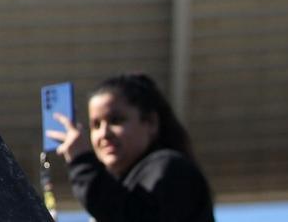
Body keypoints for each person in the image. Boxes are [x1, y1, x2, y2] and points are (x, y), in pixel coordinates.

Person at [46, 73, 215, 222]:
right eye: (96, 125)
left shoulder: (171, 169)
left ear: (151, 122)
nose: (104, 133)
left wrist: (82, 162)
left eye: (116, 120)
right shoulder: (118, 192)